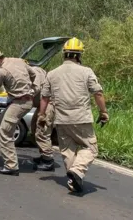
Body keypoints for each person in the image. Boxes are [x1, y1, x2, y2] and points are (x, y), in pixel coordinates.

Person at [38, 37, 109, 193]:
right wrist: (103, 112)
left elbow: (44, 97)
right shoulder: (86, 71)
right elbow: (97, 93)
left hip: (61, 119)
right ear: (78, 55)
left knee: (68, 151)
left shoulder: (53, 73)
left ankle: (73, 180)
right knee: (90, 148)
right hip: (81, 118)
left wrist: (41, 115)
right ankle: (77, 171)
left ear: (64, 54)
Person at [0, 49, 38, 175]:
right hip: (23, 100)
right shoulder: (18, 61)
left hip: (20, 103)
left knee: (5, 132)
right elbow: (33, 74)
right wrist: (28, 86)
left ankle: (11, 165)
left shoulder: (2, 71)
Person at [31, 65, 56, 171]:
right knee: (34, 127)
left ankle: (48, 160)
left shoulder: (35, 73)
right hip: (43, 105)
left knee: (42, 131)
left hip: (48, 105)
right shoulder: (34, 72)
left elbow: (35, 90)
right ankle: (43, 155)